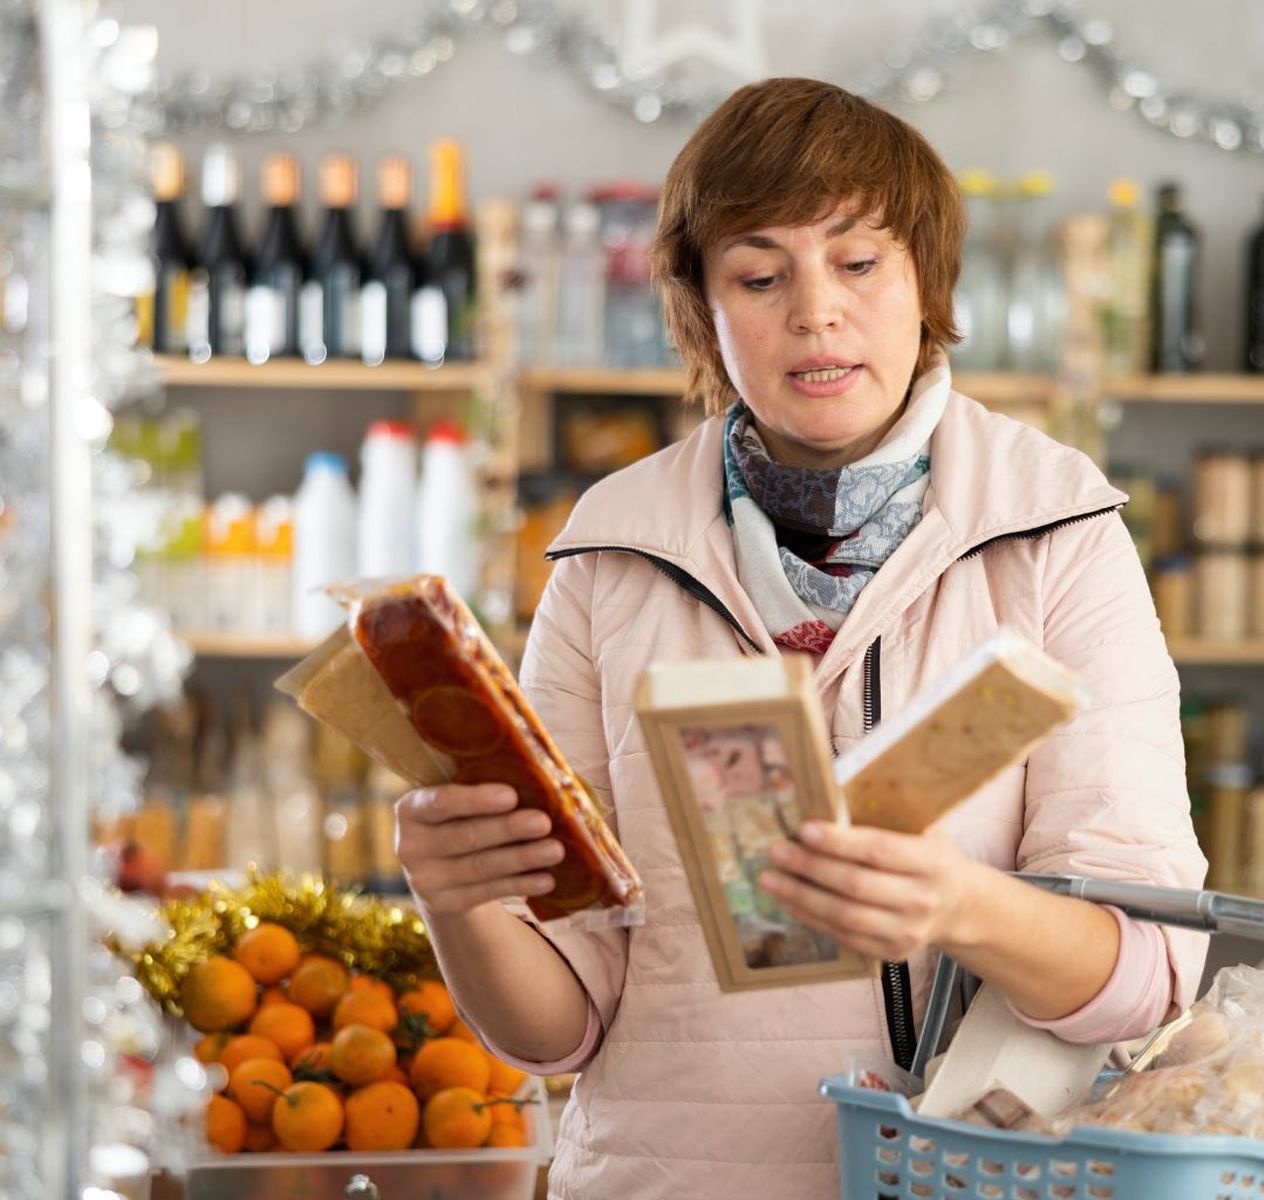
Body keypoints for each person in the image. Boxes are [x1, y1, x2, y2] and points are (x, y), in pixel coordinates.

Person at [394, 77, 1207, 1199]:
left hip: (970, 1178)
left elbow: (1149, 974)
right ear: (700, 310)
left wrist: (960, 907)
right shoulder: (608, 556)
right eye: (760, 274)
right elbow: (558, 1026)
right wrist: (459, 902)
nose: (814, 311)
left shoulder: (1055, 529)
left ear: (925, 278)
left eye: (859, 262)